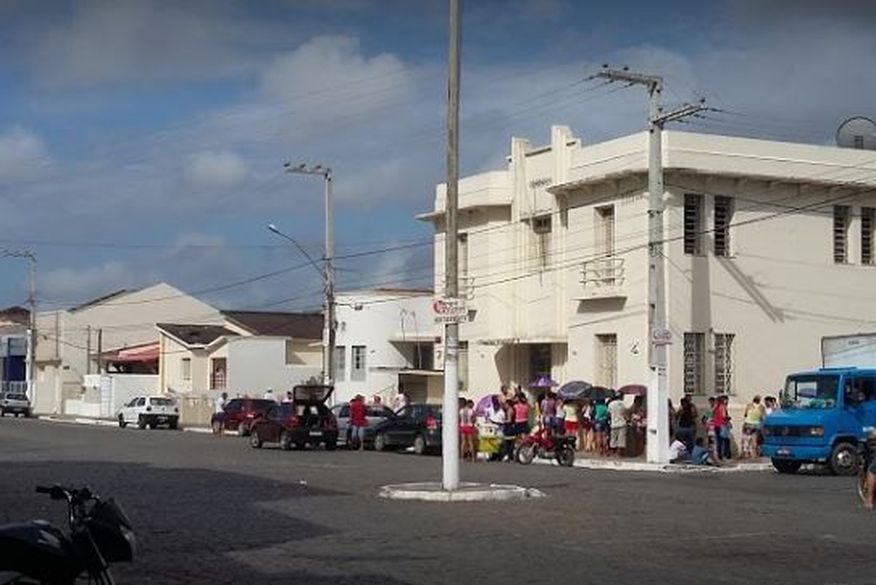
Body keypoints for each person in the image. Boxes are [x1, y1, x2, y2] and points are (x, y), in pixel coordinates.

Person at [713, 395, 732, 460]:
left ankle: (719, 455)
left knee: (719, 441)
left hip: (716, 425)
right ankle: (727, 455)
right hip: (722, 425)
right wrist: (729, 418)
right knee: (726, 440)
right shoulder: (723, 407)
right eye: (726, 400)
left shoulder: (716, 407)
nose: (727, 402)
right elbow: (724, 416)